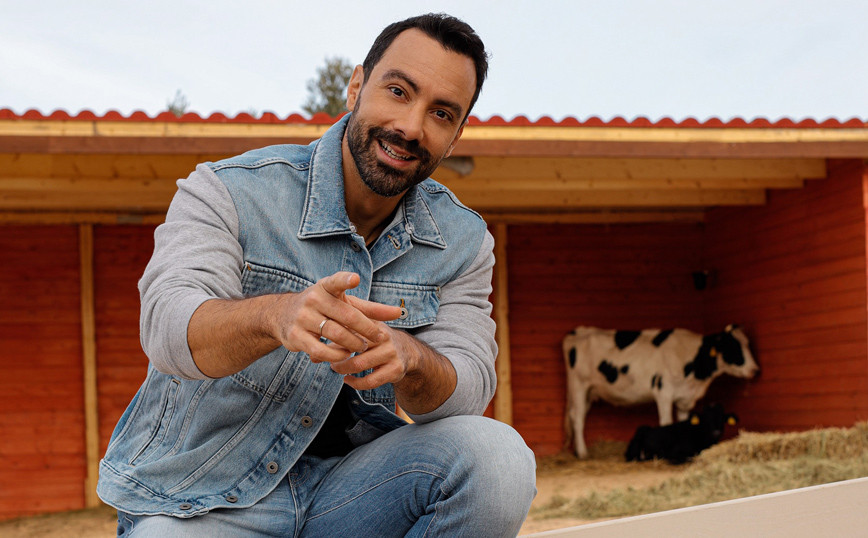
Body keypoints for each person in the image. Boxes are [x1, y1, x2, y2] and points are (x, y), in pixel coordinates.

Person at [98, 12, 537, 537]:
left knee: (499, 459)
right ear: (356, 86)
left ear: (457, 134)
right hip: (203, 499)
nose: (411, 127)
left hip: (354, 494)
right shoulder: (229, 191)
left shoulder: (463, 240)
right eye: (398, 91)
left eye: (441, 113)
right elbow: (168, 327)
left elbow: (469, 389)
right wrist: (276, 316)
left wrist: (411, 358)